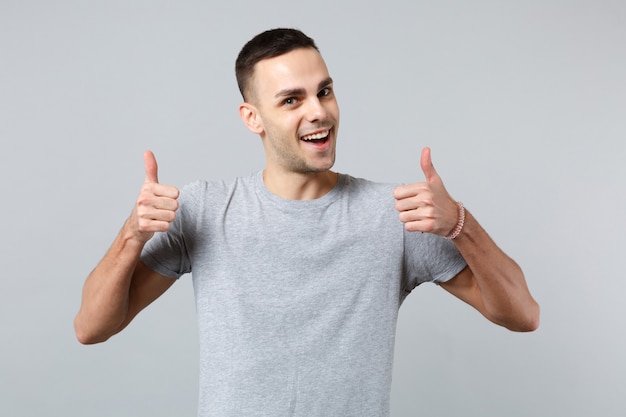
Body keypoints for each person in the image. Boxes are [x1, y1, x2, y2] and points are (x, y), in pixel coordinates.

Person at [75, 28, 539, 417]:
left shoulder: (393, 216)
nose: (318, 111)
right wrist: (131, 235)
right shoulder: (205, 210)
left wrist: (460, 222)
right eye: (292, 100)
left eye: (324, 91)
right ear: (252, 118)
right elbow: (91, 328)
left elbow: (522, 315)